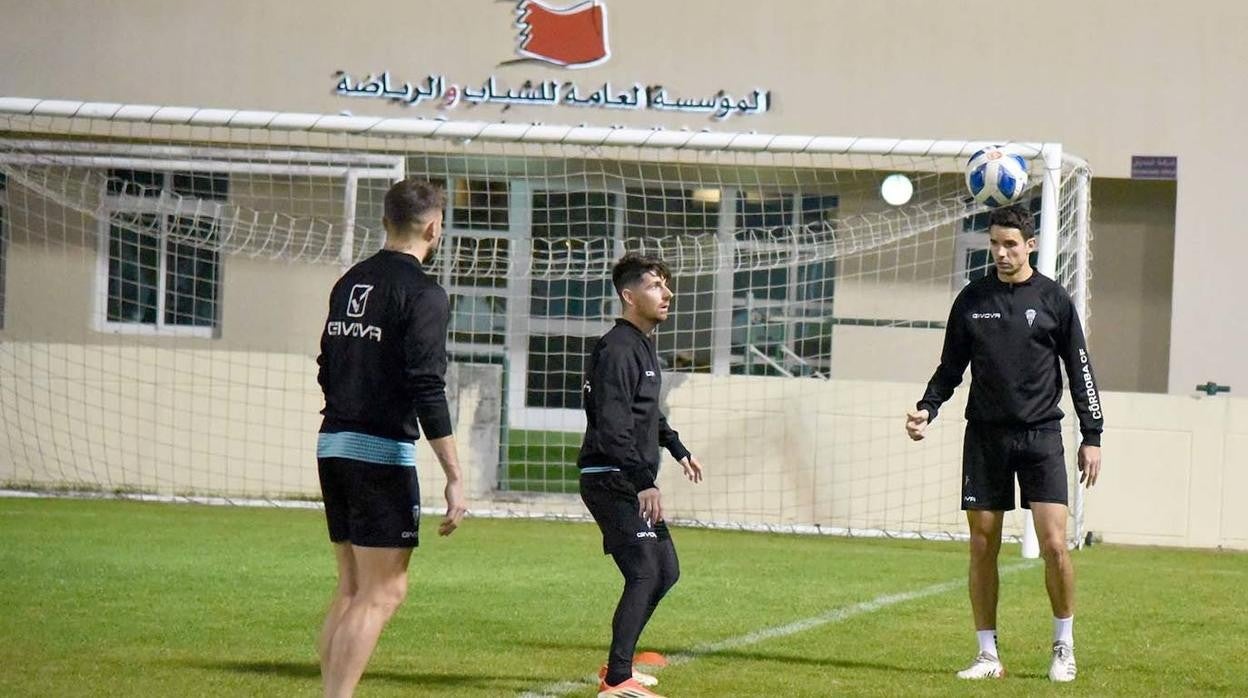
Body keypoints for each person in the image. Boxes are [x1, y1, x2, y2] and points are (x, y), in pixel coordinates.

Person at [905, 204, 1103, 683]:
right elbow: (951, 367)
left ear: (1029, 245)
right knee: (981, 545)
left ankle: (1063, 647)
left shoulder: (1054, 300)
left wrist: (1092, 436)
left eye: (1010, 244)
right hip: (985, 437)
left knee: (1055, 545)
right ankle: (987, 655)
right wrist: (927, 408)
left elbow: (1080, 371)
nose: (1000, 252)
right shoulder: (972, 299)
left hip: (1041, 437)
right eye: (994, 243)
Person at [314, 179, 467, 698]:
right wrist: (453, 475)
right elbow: (427, 384)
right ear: (433, 227)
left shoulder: (349, 281)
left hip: (332, 444)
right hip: (377, 453)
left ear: (385, 222)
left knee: (353, 588)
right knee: (384, 591)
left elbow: (325, 365)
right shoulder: (423, 293)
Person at [578, 253, 705, 698]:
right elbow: (613, 427)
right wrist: (643, 481)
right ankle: (616, 680)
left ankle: (620, 665)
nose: (667, 293)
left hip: (626, 474)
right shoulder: (617, 348)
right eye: (655, 285)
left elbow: (645, 413)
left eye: (666, 284)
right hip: (611, 476)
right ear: (628, 296)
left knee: (665, 570)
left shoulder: (641, 345)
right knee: (645, 572)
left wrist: (676, 447)